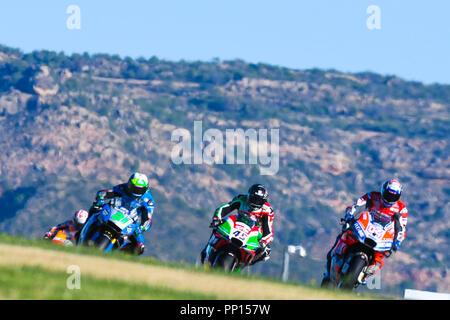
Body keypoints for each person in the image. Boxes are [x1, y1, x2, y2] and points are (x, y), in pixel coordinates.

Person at [321, 179, 408, 286]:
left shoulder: (401, 209)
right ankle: (328, 273)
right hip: (364, 228)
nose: (389, 198)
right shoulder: (373, 196)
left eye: (393, 197)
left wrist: (397, 241)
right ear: (383, 190)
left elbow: (401, 228)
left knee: (380, 257)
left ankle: (367, 273)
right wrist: (349, 217)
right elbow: (357, 206)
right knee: (343, 237)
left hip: (381, 237)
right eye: (388, 194)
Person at [201, 184, 275, 265]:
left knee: (266, 251)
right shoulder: (241, 199)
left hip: (254, 232)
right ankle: (206, 249)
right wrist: (216, 219)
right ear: (248, 196)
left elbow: (268, 231)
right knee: (218, 226)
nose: (255, 203)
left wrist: (264, 241)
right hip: (237, 225)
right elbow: (225, 208)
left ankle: (247, 262)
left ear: (264, 201)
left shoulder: (267, 210)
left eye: (259, 201)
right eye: (253, 199)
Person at [84, 172, 155, 255]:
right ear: (129, 184)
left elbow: (148, 219)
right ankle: (84, 229)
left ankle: (119, 255)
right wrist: (100, 200)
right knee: (95, 210)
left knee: (140, 247)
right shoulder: (123, 188)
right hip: (113, 212)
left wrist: (142, 227)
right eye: (133, 188)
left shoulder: (148, 200)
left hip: (130, 223)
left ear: (145, 189)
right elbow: (105, 193)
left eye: (139, 190)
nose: (136, 191)